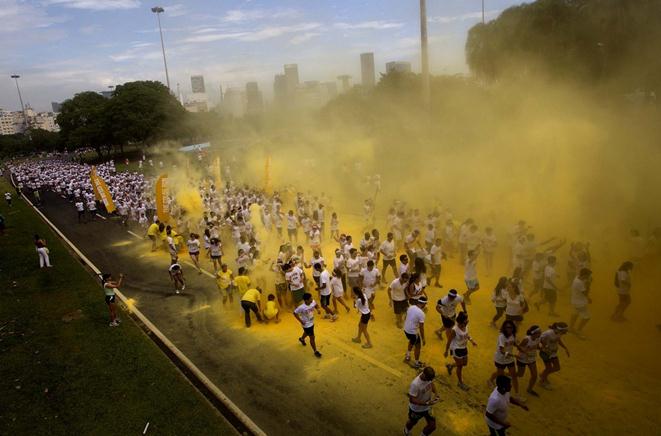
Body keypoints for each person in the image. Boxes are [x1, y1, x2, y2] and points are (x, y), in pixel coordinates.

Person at [444, 311, 477, 391]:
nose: (467, 321)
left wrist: (472, 340)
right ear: (461, 321)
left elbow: (467, 334)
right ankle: (460, 383)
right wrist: (446, 351)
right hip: (456, 349)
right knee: (460, 366)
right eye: (466, 320)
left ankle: (451, 366)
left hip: (464, 348)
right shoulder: (455, 330)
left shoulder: (465, 326)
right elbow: (449, 341)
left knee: (464, 363)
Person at [404, 366, 440, 436]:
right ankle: (406, 430)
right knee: (412, 422)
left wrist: (436, 393)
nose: (429, 380)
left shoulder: (428, 378)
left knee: (432, 426)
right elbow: (412, 400)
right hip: (416, 410)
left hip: (427, 407)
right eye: (428, 379)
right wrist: (426, 403)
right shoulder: (415, 384)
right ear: (424, 374)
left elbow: (431, 383)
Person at [489, 320, 520, 397]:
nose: (509, 329)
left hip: (509, 359)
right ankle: (490, 380)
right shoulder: (501, 337)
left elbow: (514, 343)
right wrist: (514, 355)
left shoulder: (513, 335)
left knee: (514, 375)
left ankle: (517, 394)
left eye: (511, 327)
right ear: (504, 328)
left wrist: (522, 349)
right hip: (500, 359)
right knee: (500, 373)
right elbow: (502, 351)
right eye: (507, 327)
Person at [539, 322, 570, 390]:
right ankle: (542, 381)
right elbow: (540, 339)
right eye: (563, 331)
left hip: (553, 353)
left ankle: (543, 375)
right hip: (545, 353)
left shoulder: (558, 333)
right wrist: (545, 347)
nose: (564, 333)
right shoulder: (548, 333)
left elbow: (558, 340)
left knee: (557, 367)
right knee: (549, 368)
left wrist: (565, 348)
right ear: (559, 329)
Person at [293, 293, 322, 358]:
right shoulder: (301, 307)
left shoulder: (312, 302)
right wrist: (301, 321)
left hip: (312, 322)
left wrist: (318, 309)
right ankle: (315, 351)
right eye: (310, 299)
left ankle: (302, 339)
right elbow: (295, 313)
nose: (312, 299)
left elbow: (316, 305)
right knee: (312, 337)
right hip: (306, 325)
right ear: (306, 300)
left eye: (311, 298)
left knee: (307, 333)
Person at [516, 325, 542, 397]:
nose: (540, 333)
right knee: (520, 374)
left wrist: (541, 349)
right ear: (534, 333)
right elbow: (519, 347)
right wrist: (524, 350)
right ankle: (509, 375)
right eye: (539, 332)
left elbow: (537, 346)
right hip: (522, 359)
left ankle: (529, 389)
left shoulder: (538, 339)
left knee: (534, 375)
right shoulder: (526, 339)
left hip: (531, 359)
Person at [403, 296, 428, 369]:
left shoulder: (411, 307)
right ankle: (416, 363)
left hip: (406, 329)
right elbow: (421, 328)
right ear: (423, 304)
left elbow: (406, 316)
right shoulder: (422, 314)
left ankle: (408, 355)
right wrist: (423, 339)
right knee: (418, 347)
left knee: (411, 341)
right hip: (412, 332)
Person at [569, 268, 592, 339]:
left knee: (575, 313)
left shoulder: (576, 278)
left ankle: (571, 328)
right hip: (580, 303)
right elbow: (585, 293)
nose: (588, 277)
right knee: (587, 317)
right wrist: (588, 285)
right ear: (584, 275)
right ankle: (578, 331)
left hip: (575, 301)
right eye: (588, 276)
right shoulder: (579, 283)